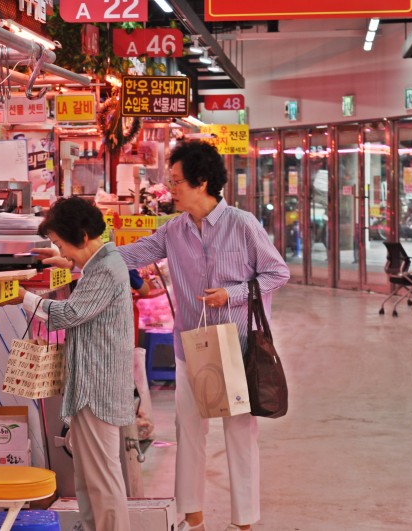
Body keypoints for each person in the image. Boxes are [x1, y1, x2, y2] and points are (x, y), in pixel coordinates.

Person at [34, 140, 290, 531]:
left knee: (240, 436)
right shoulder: (174, 230)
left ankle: (244, 522)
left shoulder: (243, 224)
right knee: (190, 432)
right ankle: (194, 517)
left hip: (236, 347)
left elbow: (277, 273)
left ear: (202, 182)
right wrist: (74, 254)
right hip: (192, 347)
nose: (170, 188)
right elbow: (130, 255)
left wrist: (232, 293)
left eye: (176, 181)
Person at [18, 196, 134, 531]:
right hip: (91, 385)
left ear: (81, 236)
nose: (62, 252)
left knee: (102, 477)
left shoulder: (106, 269)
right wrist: (66, 264)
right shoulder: (102, 263)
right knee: (90, 477)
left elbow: (71, 314)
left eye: (60, 243)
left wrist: (23, 298)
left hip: (97, 388)